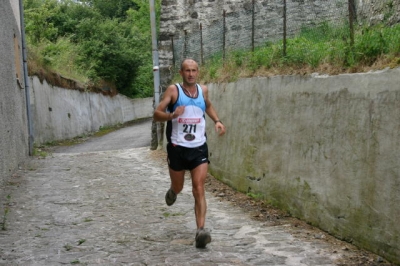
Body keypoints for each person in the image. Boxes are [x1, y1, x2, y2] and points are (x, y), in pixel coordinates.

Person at [153, 58, 226, 248]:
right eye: (187, 70)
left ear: (198, 72)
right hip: (177, 148)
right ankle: (173, 191)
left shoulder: (203, 90)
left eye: (194, 70)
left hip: (199, 147)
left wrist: (217, 120)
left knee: (198, 187)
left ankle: (201, 231)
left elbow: (207, 105)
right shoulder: (173, 91)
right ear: (181, 72)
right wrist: (171, 115)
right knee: (179, 187)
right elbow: (156, 114)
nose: (191, 74)